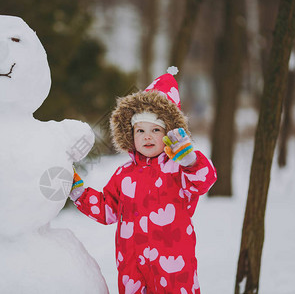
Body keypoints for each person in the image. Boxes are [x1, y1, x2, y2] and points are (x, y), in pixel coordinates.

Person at [70, 67, 217, 294]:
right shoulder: (124, 175)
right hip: (132, 268)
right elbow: (108, 209)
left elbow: (204, 181)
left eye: (155, 129)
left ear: (168, 133)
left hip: (174, 269)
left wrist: (190, 161)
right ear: (130, 134)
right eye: (140, 130)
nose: (147, 136)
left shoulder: (178, 170)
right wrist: (80, 194)